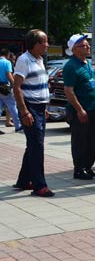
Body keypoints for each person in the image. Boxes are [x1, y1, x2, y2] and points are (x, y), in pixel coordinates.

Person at [13, 29, 53, 197]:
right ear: (36, 44)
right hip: (30, 108)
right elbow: (17, 87)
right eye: (44, 42)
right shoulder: (24, 60)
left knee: (33, 145)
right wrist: (24, 112)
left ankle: (23, 180)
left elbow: (41, 85)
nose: (47, 45)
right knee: (37, 146)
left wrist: (45, 108)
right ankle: (39, 186)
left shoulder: (40, 59)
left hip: (39, 107)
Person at [63, 34, 95, 180]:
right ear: (73, 49)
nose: (87, 47)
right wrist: (79, 109)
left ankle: (88, 167)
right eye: (83, 45)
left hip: (92, 109)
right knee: (80, 141)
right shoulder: (71, 66)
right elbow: (69, 90)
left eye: (87, 45)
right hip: (80, 111)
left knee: (93, 139)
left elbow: (91, 86)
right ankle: (79, 169)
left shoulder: (87, 63)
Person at [0, 48, 20, 132]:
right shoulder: (7, 62)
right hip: (4, 87)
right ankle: (18, 125)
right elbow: (8, 74)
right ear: (7, 55)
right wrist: (15, 85)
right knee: (12, 106)